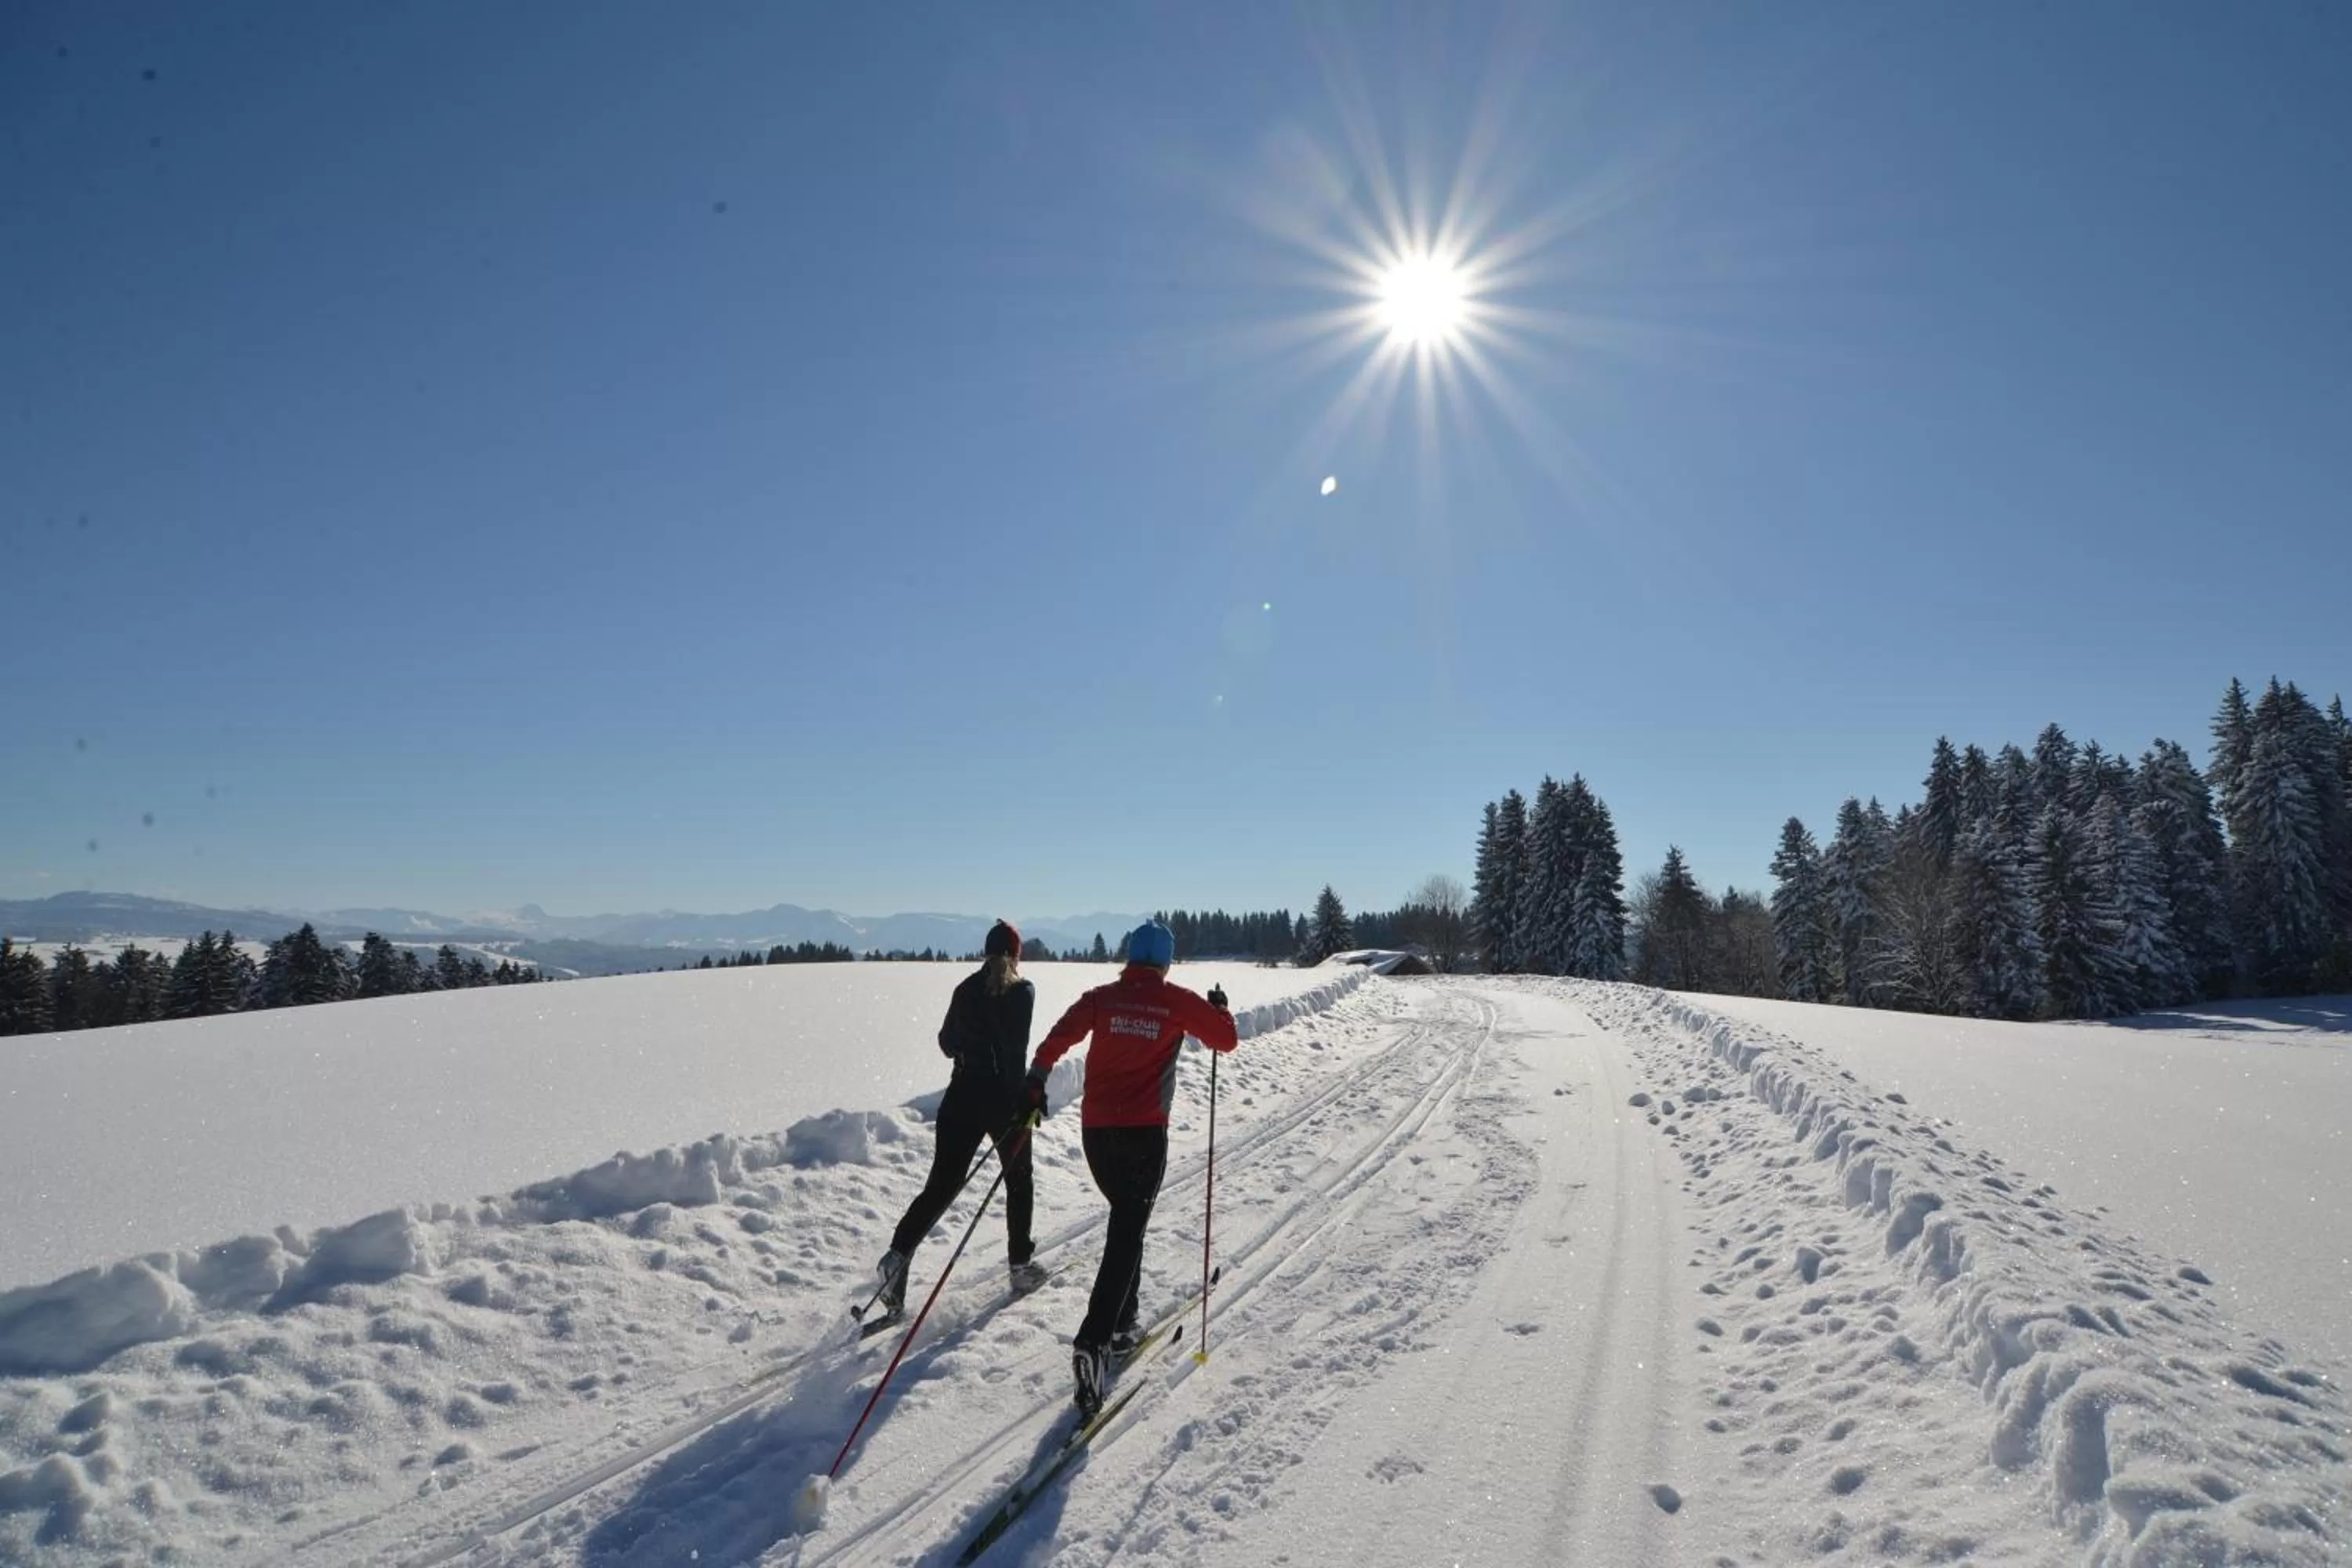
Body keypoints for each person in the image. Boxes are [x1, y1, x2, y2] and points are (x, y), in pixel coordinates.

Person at [1022, 918, 1236, 1414]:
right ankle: (1094, 1340)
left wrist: (1036, 1080)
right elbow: (1225, 1041)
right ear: (1164, 962)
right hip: (1143, 1135)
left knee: (1126, 1222)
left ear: (1130, 957)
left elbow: (1056, 1038)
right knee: (1127, 1231)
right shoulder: (1176, 1001)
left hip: (1096, 1134)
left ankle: (1122, 1324)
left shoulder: (1101, 997)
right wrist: (1220, 1009)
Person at [873, 920, 1046, 1320]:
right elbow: (1015, 1053)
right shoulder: (1023, 992)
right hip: (1002, 1101)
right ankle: (1020, 1266)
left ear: (986, 952)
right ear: (1017, 955)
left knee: (941, 1187)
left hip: (960, 1098)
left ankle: (897, 1258)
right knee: (1019, 1180)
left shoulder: (965, 988)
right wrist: (1025, 1100)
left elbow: (946, 1044)